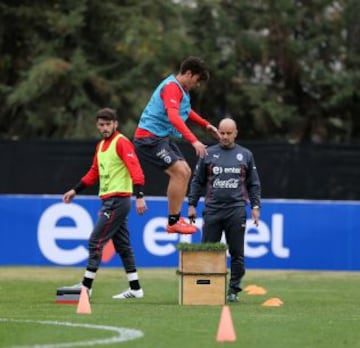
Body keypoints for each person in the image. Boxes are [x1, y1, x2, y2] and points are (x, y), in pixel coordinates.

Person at [62, 108, 147, 300]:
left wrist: (139, 196)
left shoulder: (122, 142)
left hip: (117, 201)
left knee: (95, 241)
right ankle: (135, 288)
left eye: (108, 124)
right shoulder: (101, 146)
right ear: (97, 125)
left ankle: (86, 287)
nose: (105, 128)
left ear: (115, 124)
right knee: (123, 246)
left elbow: (136, 169)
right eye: (101, 125)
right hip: (110, 201)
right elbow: (94, 173)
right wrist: (75, 190)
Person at [133, 56, 220, 234]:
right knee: (180, 172)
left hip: (161, 138)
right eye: (196, 80)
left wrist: (205, 124)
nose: (197, 85)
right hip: (148, 139)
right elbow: (174, 117)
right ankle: (173, 222)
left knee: (186, 171)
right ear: (188, 74)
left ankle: (175, 219)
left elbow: (186, 111)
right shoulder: (172, 87)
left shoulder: (182, 90)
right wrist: (194, 140)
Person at [187, 117, 261, 303]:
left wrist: (255, 206)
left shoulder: (245, 155)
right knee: (207, 252)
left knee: (237, 253)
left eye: (229, 133)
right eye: (222, 133)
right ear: (218, 132)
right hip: (212, 210)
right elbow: (197, 181)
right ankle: (208, 289)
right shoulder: (208, 153)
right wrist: (192, 204)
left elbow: (253, 184)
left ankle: (233, 290)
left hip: (236, 210)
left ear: (236, 133)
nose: (225, 136)